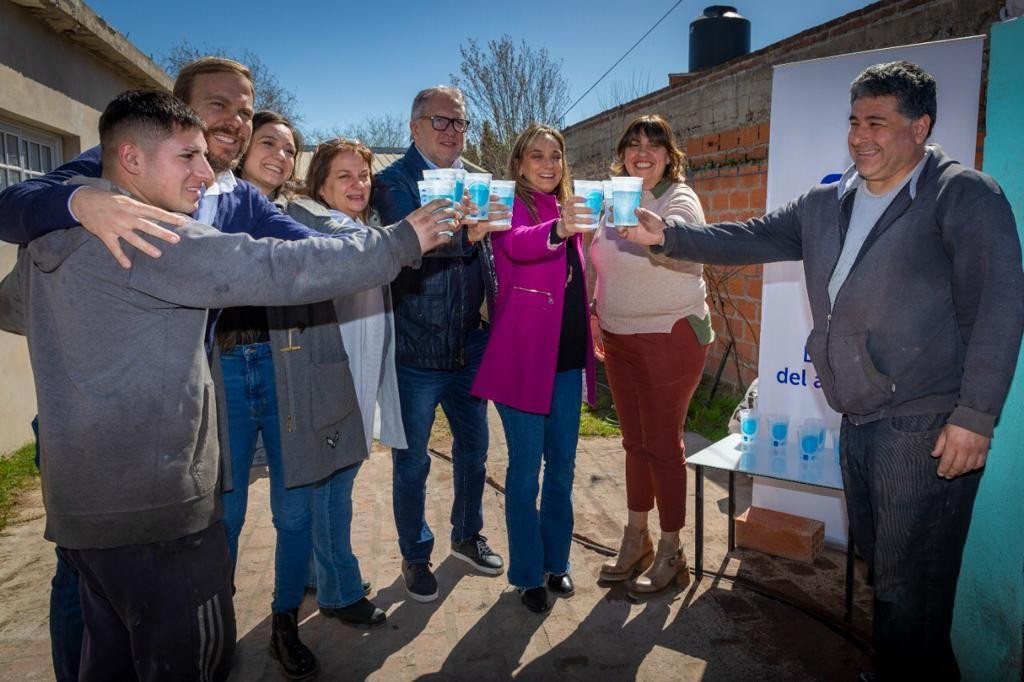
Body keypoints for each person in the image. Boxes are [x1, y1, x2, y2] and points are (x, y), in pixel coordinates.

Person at [0, 90, 455, 681]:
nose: (203, 171)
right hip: (161, 519)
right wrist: (401, 242)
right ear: (131, 160)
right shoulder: (156, 237)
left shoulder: (48, 244)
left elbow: (12, 310)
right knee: (197, 663)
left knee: (107, 662)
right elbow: (275, 267)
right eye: (187, 156)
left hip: (82, 516)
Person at [621, 61, 1024, 678]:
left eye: (878, 123)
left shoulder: (962, 196)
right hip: (859, 416)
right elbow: (748, 237)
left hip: (925, 421)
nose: (862, 135)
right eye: (855, 121)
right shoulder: (828, 202)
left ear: (921, 127)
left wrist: (974, 417)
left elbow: (998, 307)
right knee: (885, 574)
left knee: (913, 586)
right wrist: (668, 237)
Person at [372, 85, 504, 602]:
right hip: (417, 349)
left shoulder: (477, 182)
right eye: (441, 122)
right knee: (414, 461)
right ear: (415, 127)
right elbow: (407, 250)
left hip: (471, 346)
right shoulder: (393, 184)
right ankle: (415, 554)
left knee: (475, 449)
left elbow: (494, 251)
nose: (452, 132)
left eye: (460, 123)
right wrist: (469, 236)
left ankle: (467, 535)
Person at [471, 124, 596, 613]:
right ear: (519, 163)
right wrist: (560, 230)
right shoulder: (506, 205)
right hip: (521, 362)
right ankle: (527, 575)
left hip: (565, 363)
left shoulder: (572, 207)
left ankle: (555, 563)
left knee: (562, 469)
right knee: (525, 474)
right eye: (537, 156)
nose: (548, 164)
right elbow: (520, 244)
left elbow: (576, 278)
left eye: (556, 156)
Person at [589, 114, 711, 596]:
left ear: (668, 155)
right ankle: (634, 538)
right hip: (619, 338)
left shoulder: (677, 198)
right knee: (634, 443)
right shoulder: (611, 199)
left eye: (654, 144)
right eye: (634, 143)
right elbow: (600, 262)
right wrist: (596, 312)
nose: (643, 151)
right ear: (621, 153)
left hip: (670, 335)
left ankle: (671, 551)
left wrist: (658, 233)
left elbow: (689, 246)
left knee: (663, 445)